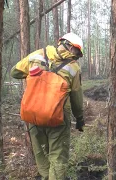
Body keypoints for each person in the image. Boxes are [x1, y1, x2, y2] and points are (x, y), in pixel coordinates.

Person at [10, 33, 84, 179]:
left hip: (34, 115)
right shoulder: (73, 67)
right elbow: (76, 97)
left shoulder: (37, 55)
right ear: (69, 45)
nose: (76, 56)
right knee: (58, 158)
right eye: (77, 52)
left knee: (42, 156)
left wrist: (34, 76)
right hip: (59, 118)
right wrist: (80, 118)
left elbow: (15, 72)